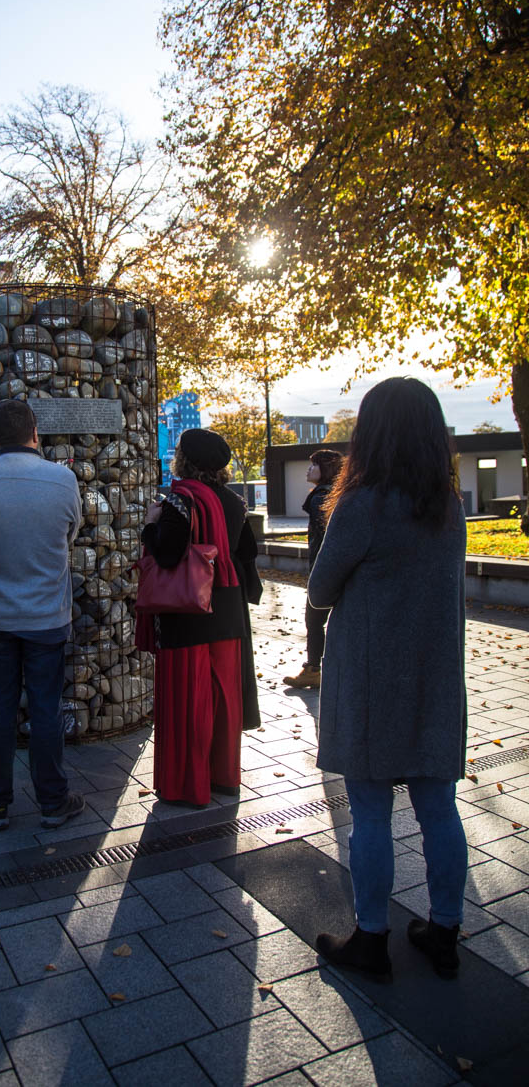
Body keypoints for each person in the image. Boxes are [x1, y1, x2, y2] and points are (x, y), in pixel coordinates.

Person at [309, 378, 468, 980]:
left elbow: (321, 591)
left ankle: (371, 939)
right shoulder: (447, 504)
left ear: (370, 434)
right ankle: (444, 930)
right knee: (439, 809)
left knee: (371, 814)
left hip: (371, 680)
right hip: (436, 678)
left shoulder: (361, 504)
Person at [0, 399, 84, 830]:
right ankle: (53, 801)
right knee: (46, 709)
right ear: (36, 434)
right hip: (47, 615)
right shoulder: (62, 480)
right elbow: (71, 533)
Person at [138, 428, 262, 807]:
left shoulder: (180, 500)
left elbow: (168, 555)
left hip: (187, 612)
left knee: (188, 701)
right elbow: (248, 555)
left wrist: (149, 524)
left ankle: (187, 785)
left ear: (186, 461)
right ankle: (224, 778)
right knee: (225, 698)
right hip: (227, 613)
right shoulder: (235, 502)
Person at [283, 449, 344, 688]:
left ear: (326, 469)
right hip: (336, 569)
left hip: (323, 569)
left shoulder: (321, 497)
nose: (309, 469)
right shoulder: (339, 494)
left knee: (314, 620)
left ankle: (313, 669)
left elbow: (324, 538)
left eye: (314, 465)